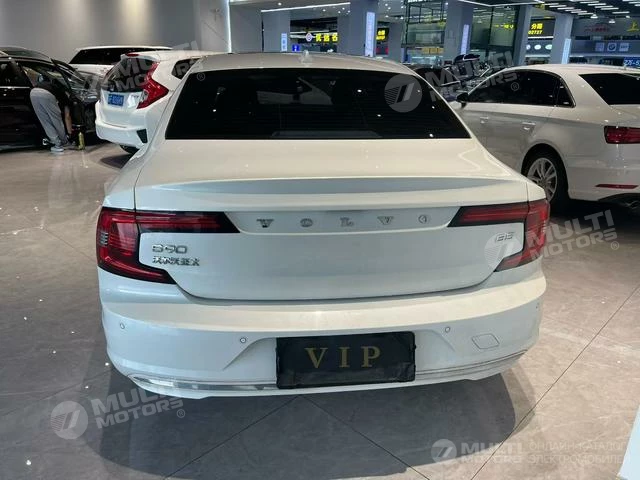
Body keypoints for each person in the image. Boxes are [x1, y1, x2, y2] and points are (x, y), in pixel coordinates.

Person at [30, 74, 73, 153]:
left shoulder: (54, 86)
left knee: (45, 121)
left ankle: (57, 143)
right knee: (56, 120)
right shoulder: (65, 97)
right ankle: (64, 143)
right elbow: (67, 117)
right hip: (46, 94)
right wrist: (70, 134)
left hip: (33, 93)